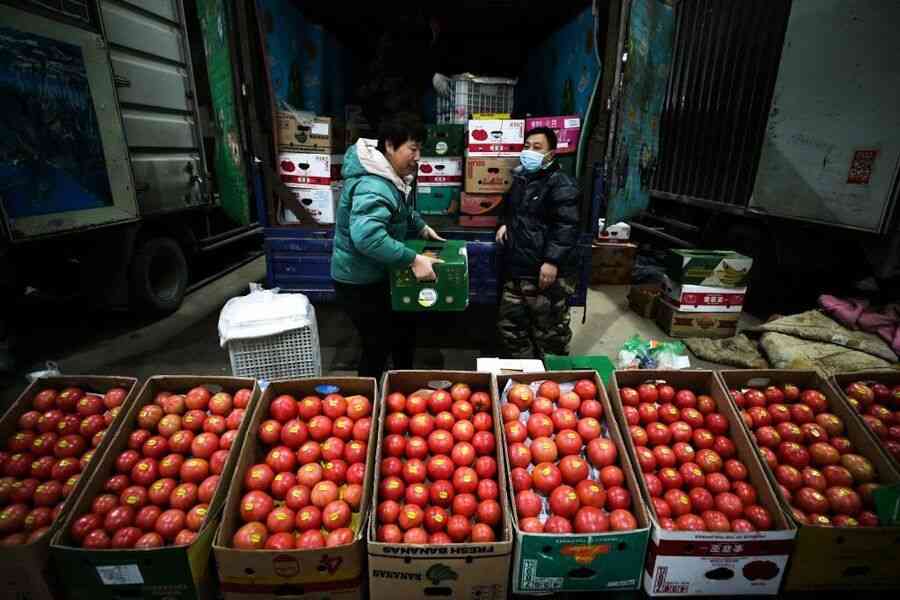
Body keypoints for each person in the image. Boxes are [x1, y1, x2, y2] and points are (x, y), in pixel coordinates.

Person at [331, 113, 445, 378]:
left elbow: (400, 208)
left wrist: (420, 226)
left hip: (378, 273)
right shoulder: (373, 183)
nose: (418, 157)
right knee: (377, 344)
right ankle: (370, 403)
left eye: (420, 150)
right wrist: (414, 259)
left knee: (404, 331)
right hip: (359, 281)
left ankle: (401, 392)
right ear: (390, 146)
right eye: (413, 149)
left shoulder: (389, 176)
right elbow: (368, 237)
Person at [496, 127, 580, 358]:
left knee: (550, 333)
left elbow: (567, 225)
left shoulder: (562, 184)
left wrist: (552, 261)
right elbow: (510, 208)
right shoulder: (522, 178)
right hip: (518, 269)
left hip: (545, 273)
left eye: (537, 148)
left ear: (551, 154)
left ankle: (552, 382)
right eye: (527, 146)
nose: (529, 152)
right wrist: (505, 223)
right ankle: (525, 382)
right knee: (511, 329)